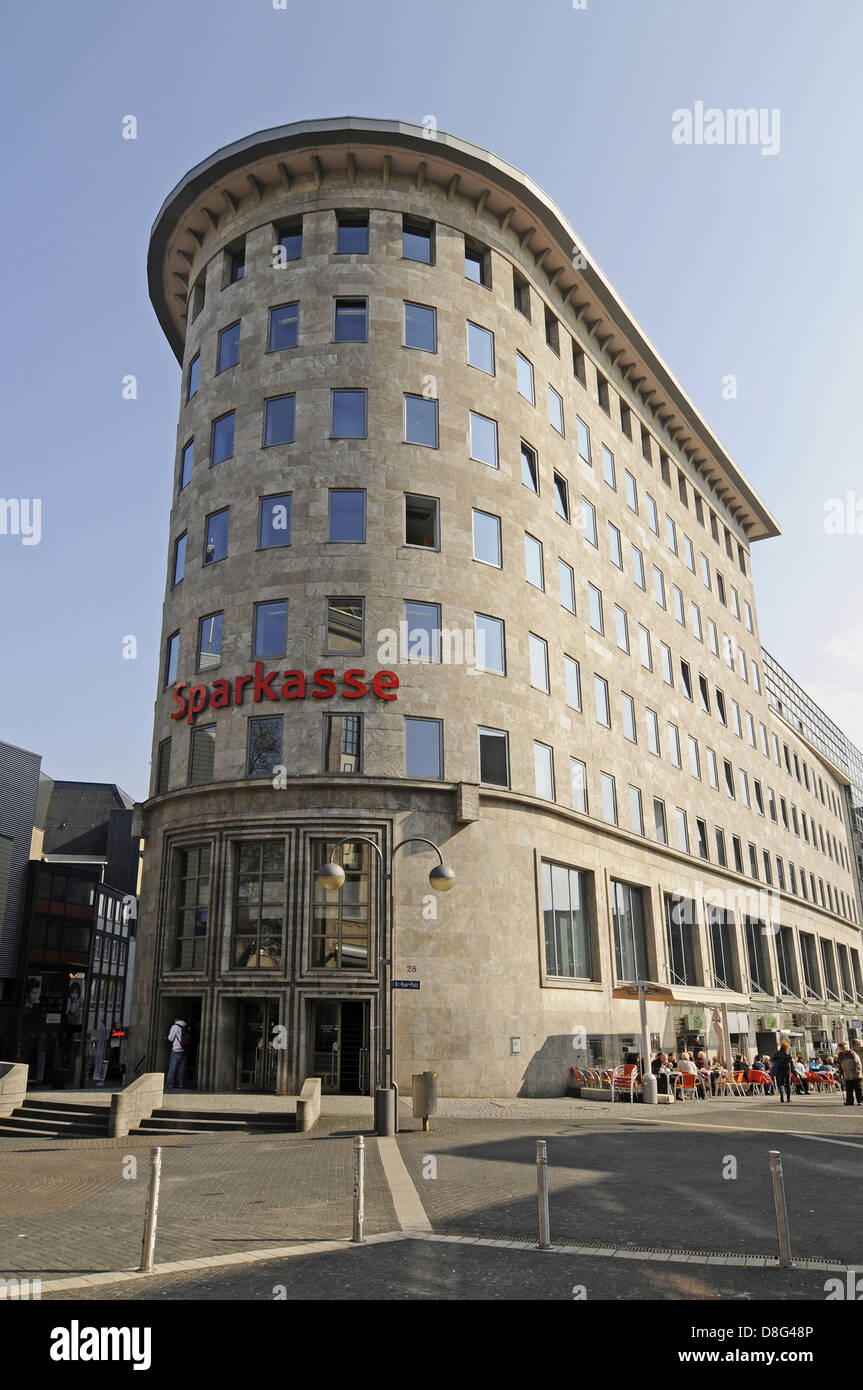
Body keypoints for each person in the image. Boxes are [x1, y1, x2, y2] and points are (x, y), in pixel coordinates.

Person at [166, 1018, 188, 1089]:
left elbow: (170, 1038)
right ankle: (180, 1084)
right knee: (181, 1068)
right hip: (184, 1049)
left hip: (176, 1050)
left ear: (176, 1020)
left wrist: (167, 1037)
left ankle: (169, 1084)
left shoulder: (175, 1027)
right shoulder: (185, 1026)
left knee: (172, 1067)